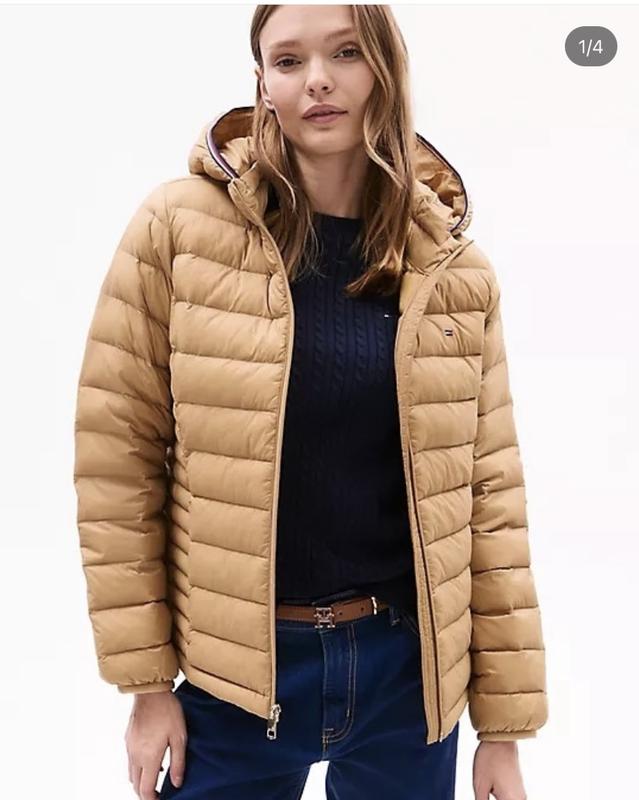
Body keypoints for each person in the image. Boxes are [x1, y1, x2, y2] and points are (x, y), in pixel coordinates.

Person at [72, 5, 548, 799]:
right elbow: (116, 462)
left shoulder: (453, 271)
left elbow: (489, 502)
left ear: (385, 70)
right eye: (289, 61)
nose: (317, 81)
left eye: (345, 53)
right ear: (261, 82)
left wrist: (501, 732)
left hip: (406, 679)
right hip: (233, 680)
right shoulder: (179, 230)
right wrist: (147, 685)